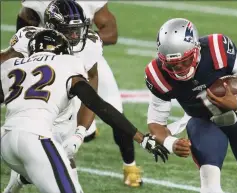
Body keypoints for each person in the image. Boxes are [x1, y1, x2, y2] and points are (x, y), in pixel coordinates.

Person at [0, 29, 168, 193]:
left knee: (48, 171)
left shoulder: (10, 66)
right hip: (36, 139)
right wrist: (142, 138)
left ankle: (18, 182)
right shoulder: (67, 63)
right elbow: (99, 105)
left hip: (6, 143)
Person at [144, 18, 237, 193]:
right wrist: (171, 142)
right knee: (210, 189)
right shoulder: (157, 74)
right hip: (203, 123)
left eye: (185, 61)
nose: (179, 69)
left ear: (196, 49)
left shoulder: (217, 49)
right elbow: (156, 123)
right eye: (172, 64)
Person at [16, 0, 142, 186]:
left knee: (113, 107)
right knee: (44, 114)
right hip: (49, 60)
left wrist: (78, 39)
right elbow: (22, 25)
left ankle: (130, 166)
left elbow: (112, 34)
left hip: (82, 55)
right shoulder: (37, 3)